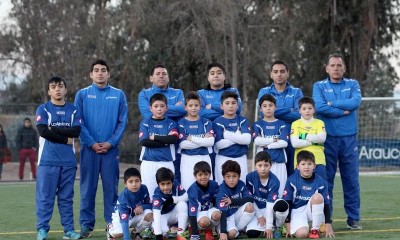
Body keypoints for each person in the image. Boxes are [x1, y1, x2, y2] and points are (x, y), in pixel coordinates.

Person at [74, 59, 128, 237]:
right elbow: (78, 121)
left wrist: (111, 142)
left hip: (110, 151)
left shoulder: (119, 95)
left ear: (109, 74)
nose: (100, 73)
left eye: (103, 70)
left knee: (111, 189)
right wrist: (91, 143)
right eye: (96, 70)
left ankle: (112, 223)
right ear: (90, 74)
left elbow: (122, 122)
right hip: (89, 150)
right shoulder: (82, 95)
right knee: (87, 189)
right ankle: (86, 226)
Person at [312, 53, 362, 230]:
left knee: (351, 180)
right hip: (328, 139)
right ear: (327, 68)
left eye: (339, 65)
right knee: (326, 180)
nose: (336, 68)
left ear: (344, 68)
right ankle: (328, 218)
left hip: (349, 139)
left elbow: (355, 102)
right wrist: (342, 111)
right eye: (332, 65)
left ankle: (354, 218)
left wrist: (332, 104)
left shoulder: (353, 84)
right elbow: (319, 107)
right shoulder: (318, 86)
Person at [35, 76, 82, 240]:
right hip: (47, 162)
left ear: (65, 89)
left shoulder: (74, 110)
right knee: (45, 198)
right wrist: (64, 138)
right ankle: (42, 230)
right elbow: (43, 132)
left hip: (68, 162)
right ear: (49, 91)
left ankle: (69, 231)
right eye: (53, 87)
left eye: (60, 86)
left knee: (66, 198)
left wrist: (53, 129)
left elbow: (76, 132)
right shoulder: (43, 109)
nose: (57, 89)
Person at [138, 64, 186, 182]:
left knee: (173, 183)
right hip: (152, 148)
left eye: (164, 74)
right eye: (157, 74)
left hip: (173, 146)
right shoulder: (144, 94)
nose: (161, 76)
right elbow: (148, 115)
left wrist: (163, 108)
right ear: (151, 78)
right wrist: (174, 107)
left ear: (168, 77)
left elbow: (184, 110)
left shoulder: (178, 92)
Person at [258, 60, 303, 176]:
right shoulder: (264, 91)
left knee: (293, 173)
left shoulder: (296, 92)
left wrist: (275, 112)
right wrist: (289, 109)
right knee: (272, 174)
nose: (279, 74)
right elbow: (263, 114)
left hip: (292, 138)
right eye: (276, 72)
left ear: (288, 73)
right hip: (272, 139)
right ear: (271, 74)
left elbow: (299, 115)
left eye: (282, 71)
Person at [282, 150, 334, 239]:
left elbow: (326, 204)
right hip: (297, 211)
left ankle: (315, 229)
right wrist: (288, 224)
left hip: (312, 209)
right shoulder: (292, 180)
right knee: (302, 235)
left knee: (317, 197)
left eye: (309, 164)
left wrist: (328, 224)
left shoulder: (321, 181)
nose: (306, 167)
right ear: (297, 166)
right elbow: (288, 203)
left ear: (314, 166)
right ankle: (304, 226)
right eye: (303, 164)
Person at [139, 93, 179, 197]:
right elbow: (144, 142)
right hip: (149, 162)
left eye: (162, 106)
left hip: (167, 162)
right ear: (150, 108)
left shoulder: (171, 123)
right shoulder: (145, 123)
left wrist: (155, 137)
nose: (159, 109)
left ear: (167, 108)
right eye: (156, 106)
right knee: (149, 193)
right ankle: (151, 213)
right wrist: (165, 141)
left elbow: (173, 139)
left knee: (168, 194)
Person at [245, 151, 289, 239]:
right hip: (257, 209)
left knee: (282, 205)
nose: (263, 168)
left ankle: (278, 226)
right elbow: (249, 199)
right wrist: (259, 216)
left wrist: (268, 227)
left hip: (271, 207)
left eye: (266, 165)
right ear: (255, 165)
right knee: (252, 234)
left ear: (270, 165)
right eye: (260, 165)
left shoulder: (275, 180)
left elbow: (270, 203)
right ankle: (265, 226)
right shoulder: (249, 177)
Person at [252, 94, 289, 196]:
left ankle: (280, 212)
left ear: (275, 107)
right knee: (263, 192)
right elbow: (257, 141)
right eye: (265, 106)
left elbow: (284, 143)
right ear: (260, 109)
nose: (268, 108)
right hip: (263, 164)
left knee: (280, 192)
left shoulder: (282, 124)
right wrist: (274, 139)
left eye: (270, 105)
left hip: (279, 162)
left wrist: (267, 145)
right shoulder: (257, 124)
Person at [178, 92, 215, 190]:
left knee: (206, 188)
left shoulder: (206, 122)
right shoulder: (181, 123)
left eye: (196, 105)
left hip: (204, 157)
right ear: (185, 107)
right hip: (187, 159)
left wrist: (191, 138)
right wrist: (203, 139)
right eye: (190, 105)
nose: (193, 108)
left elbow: (210, 142)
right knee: (188, 188)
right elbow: (183, 144)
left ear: (200, 106)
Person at [212, 91, 251, 184]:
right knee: (222, 186)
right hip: (223, 158)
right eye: (227, 103)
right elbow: (219, 145)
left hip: (241, 158)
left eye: (233, 103)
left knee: (241, 185)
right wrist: (237, 137)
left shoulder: (243, 120)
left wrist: (227, 135)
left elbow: (247, 140)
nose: (230, 106)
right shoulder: (217, 122)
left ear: (237, 106)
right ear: (221, 106)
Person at [107, 168, 153, 240]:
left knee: (150, 215)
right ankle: (110, 230)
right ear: (125, 184)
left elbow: (150, 205)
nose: (134, 184)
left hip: (135, 215)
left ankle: (135, 233)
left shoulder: (144, 188)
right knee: (119, 234)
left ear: (141, 181)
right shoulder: (123, 198)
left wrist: (142, 207)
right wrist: (126, 238)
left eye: (137, 181)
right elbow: (124, 221)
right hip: (121, 218)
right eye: (130, 182)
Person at [216, 160, 255, 240]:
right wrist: (223, 232)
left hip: (237, 214)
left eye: (234, 176)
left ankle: (239, 229)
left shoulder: (241, 184)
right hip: (226, 217)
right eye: (228, 176)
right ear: (223, 177)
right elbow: (223, 212)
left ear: (239, 176)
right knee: (231, 235)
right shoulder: (221, 190)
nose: (231, 180)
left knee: (250, 206)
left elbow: (250, 199)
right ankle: (221, 230)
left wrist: (232, 201)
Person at [290, 96, 327, 179]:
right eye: (304, 108)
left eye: (310, 108)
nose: (307, 111)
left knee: (321, 188)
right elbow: (295, 143)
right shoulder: (295, 124)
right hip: (300, 162)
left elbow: (322, 139)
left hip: (318, 160)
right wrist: (314, 141)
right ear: (299, 110)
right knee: (301, 189)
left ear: (314, 110)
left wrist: (303, 136)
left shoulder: (319, 123)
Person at [152, 167, 189, 240]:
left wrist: (173, 199)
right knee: (163, 229)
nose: (166, 187)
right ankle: (160, 231)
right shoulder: (157, 196)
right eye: (162, 184)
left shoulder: (175, 183)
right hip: (162, 217)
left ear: (172, 181)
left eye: (168, 183)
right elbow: (156, 215)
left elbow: (186, 196)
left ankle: (180, 234)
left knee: (182, 204)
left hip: (173, 214)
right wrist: (158, 235)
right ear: (158, 183)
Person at [187, 161, 220, 240]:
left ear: (210, 175)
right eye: (200, 174)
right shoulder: (193, 190)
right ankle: (199, 230)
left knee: (218, 215)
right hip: (199, 213)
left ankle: (212, 229)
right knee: (204, 222)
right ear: (195, 176)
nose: (203, 177)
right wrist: (194, 234)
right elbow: (192, 213)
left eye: (206, 174)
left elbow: (218, 200)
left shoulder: (214, 185)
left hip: (210, 210)